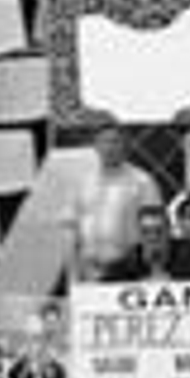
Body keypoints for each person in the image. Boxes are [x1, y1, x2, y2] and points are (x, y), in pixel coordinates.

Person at [75, 121, 163, 283]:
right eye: (104, 141)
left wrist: (152, 271)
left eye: (115, 141)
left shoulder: (142, 181)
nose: (110, 147)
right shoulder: (82, 181)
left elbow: (154, 233)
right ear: (95, 146)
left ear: (125, 146)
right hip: (87, 270)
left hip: (127, 271)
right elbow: (74, 224)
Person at [103, 205, 176, 283]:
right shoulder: (121, 270)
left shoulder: (187, 263)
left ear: (169, 232)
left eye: (158, 232)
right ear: (138, 234)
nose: (153, 238)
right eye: (146, 232)